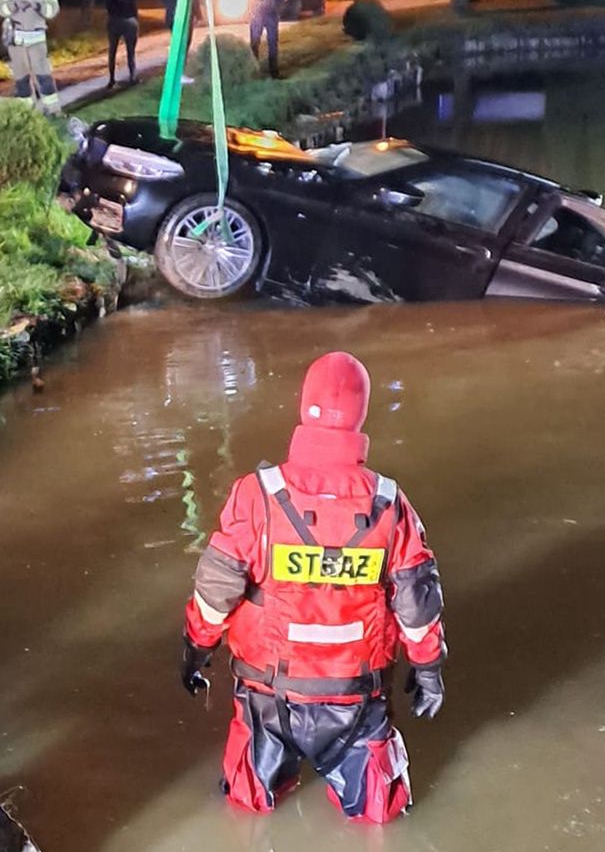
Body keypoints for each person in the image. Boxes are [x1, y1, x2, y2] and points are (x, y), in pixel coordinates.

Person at [181, 351, 445, 823]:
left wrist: (195, 651)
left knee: (244, 814)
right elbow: (417, 604)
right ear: (361, 415)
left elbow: (214, 590)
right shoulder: (389, 503)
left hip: (266, 698)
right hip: (358, 702)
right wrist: (428, 670)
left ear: (303, 406)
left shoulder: (256, 495)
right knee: (378, 822)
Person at [0, 0, 61, 115]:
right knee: (21, 77)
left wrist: (39, 6)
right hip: (16, 41)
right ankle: (26, 111)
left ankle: (52, 109)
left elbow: (53, 9)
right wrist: (14, 7)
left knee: (43, 75)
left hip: (37, 39)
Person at [248, 0, 286, 78]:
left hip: (262, 12)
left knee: (256, 41)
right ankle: (272, 71)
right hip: (266, 11)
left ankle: (255, 70)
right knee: (270, 42)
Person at [105, 0, 139, 88]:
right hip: (124, 20)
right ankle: (128, 77)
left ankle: (115, 79)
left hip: (116, 20)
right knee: (125, 51)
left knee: (116, 51)